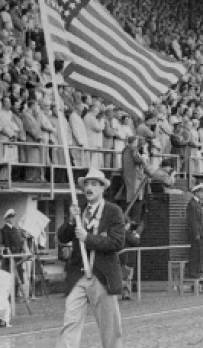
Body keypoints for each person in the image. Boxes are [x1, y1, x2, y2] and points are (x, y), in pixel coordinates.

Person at [56, 168, 125, 348]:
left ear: (102, 188)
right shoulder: (79, 212)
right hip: (78, 276)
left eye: (94, 184)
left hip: (102, 276)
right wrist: (71, 220)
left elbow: (117, 242)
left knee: (109, 329)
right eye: (87, 183)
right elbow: (62, 237)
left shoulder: (113, 211)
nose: (89, 187)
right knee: (70, 322)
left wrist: (88, 238)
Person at [115, 136, 146, 222]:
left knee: (128, 197)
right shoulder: (132, 150)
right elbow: (139, 160)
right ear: (134, 141)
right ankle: (133, 220)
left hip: (127, 175)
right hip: (134, 177)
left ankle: (128, 219)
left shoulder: (125, 150)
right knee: (135, 198)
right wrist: (144, 156)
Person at [186, 183, 203, 279]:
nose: (202, 194)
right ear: (196, 192)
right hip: (196, 233)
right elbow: (193, 221)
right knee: (195, 253)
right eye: (201, 192)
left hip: (200, 232)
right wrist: (196, 233)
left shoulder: (198, 204)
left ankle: (198, 271)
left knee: (199, 253)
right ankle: (193, 272)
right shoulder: (192, 204)